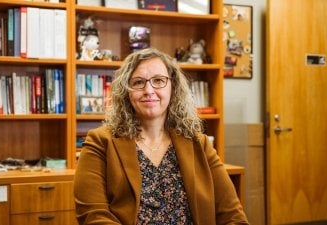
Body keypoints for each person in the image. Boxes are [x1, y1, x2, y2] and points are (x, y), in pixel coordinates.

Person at [74, 48, 249, 224]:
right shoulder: (100, 142)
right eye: (138, 82)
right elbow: (93, 216)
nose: (149, 90)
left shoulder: (199, 143)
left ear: (173, 87)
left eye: (158, 80)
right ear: (126, 92)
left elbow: (232, 215)